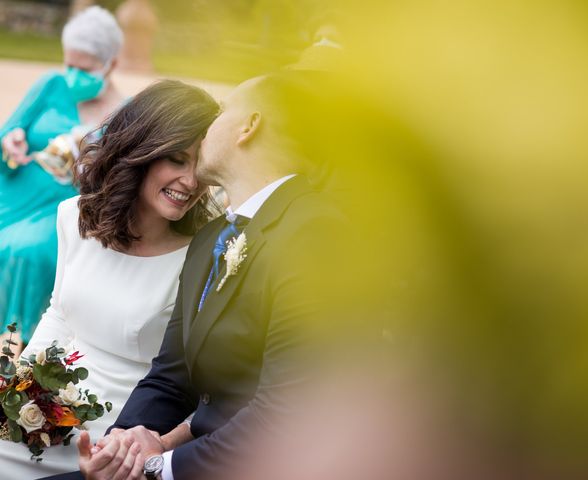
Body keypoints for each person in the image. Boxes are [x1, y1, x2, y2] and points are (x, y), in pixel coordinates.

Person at [43, 72, 346, 480]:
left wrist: (158, 464)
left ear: (248, 126)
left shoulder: (315, 232)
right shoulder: (213, 239)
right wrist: (121, 447)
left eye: (221, 113)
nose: (206, 130)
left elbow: (286, 412)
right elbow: (172, 376)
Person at [0, 80, 219, 479]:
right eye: (176, 159)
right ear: (140, 150)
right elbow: (59, 315)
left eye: (199, 165)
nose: (190, 182)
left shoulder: (202, 256)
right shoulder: (73, 216)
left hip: (123, 431)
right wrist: (17, 393)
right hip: (47, 407)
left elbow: (193, 379)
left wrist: (151, 443)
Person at [0, 6, 125, 347]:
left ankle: (14, 345)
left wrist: (83, 157)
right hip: (13, 187)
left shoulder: (123, 113)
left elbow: (112, 181)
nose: (71, 74)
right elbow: (11, 129)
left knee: (25, 251)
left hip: (62, 203)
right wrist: (12, 140)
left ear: (110, 64)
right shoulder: (50, 84)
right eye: (68, 64)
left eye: (82, 69)